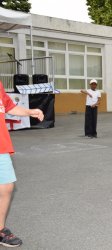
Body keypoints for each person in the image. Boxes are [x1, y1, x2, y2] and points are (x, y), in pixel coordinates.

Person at [0, 81, 44, 247]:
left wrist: (29, 111)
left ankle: (0, 229)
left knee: (7, 187)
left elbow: (9, 106)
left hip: (1, 145)